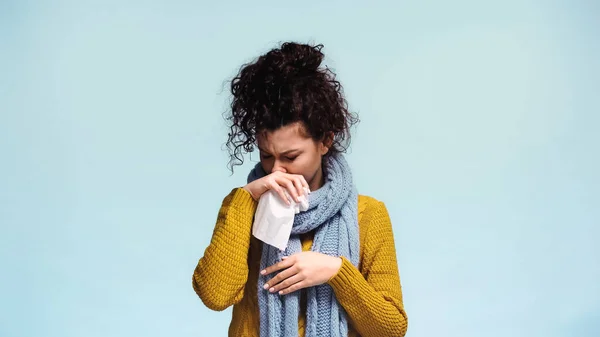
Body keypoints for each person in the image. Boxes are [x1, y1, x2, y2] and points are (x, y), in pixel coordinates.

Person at [192, 42, 408, 337]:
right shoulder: (244, 207)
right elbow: (215, 296)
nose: (276, 170)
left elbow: (391, 330)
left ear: (325, 141)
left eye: (291, 157)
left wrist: (337, 273)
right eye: (267, 155)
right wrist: (247, 197)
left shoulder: (368, 215)